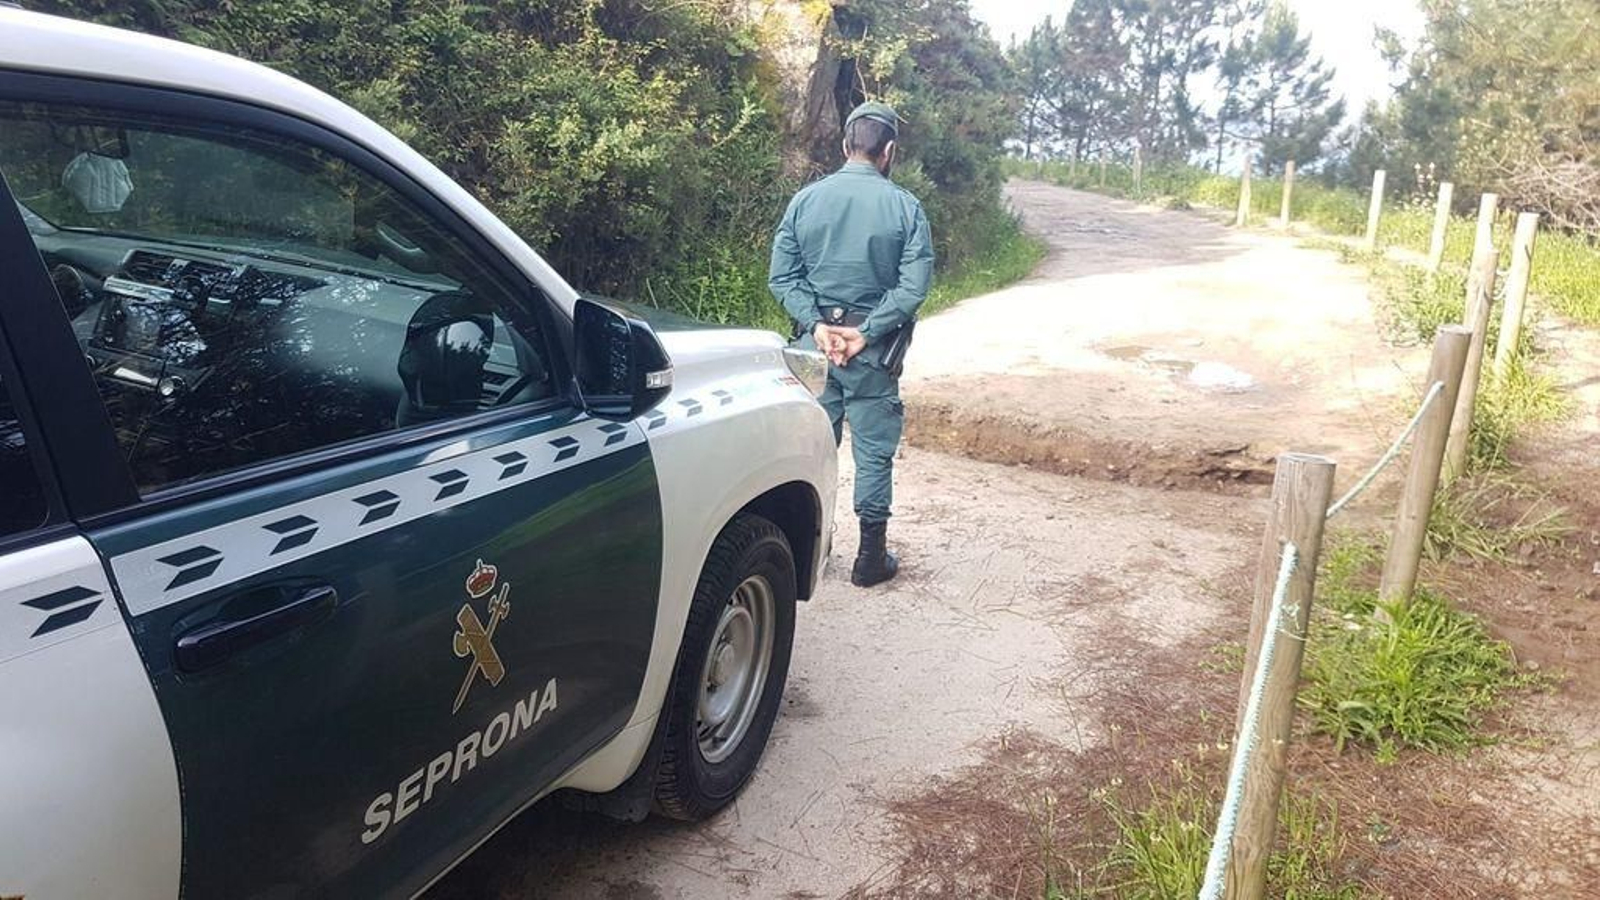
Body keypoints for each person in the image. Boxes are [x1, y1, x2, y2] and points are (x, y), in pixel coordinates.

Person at [767, 101, 934, 588]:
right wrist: (866, 332)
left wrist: (817, 326)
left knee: (812, 448)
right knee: (874, 451)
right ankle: (870, 560)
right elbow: (912, 286)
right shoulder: (906, 207)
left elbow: (783, 276)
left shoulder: (805, 200)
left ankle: (810, 548)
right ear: (889, 151)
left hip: (814, 351)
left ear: (845, 146)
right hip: (873, 354)